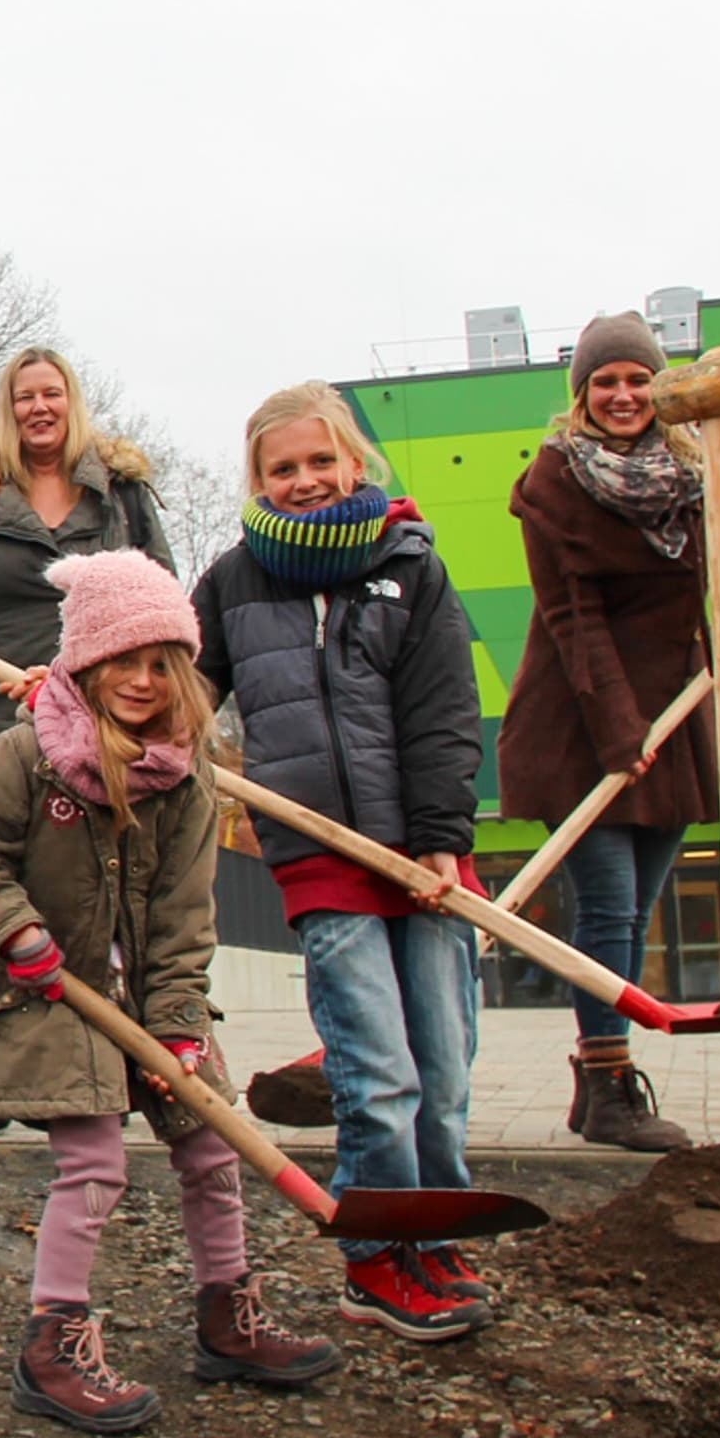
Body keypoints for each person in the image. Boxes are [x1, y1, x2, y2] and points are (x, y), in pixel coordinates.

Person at [0, 551, 340, 1433]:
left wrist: (183, 1031)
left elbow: (184, 920)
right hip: (53, 997)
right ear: (86, 658)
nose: (143, 680)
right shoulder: (24, 758)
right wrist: (19, 933)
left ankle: (226, 1315)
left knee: (211, 1147)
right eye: (124, 659)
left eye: (162, 664)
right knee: (94, 1166)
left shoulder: (186, 779)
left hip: (152, 1000)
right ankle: (54, 1344)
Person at [192, 382, 491, 1341]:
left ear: (355, 464)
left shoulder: (411, 567)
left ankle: (435, 1228)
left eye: (321, 461)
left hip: (425, 852)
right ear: (259, 481)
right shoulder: (236, 581)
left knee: (441, 1067)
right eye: (283, 468)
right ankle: (375, 1255)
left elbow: (446, 711)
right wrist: (77, 693)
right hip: (321, 855)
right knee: (377, 1069)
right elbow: (175, 683)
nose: (306, 480)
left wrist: (443, 838)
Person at [501, 310, 720, 1151]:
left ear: (661, 388)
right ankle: (611, 1088)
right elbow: (574, 619)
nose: (622, 395)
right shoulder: (554, 488)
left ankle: (590, 1082)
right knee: (607, 908)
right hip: (584, 722)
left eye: (637, 379)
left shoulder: (688, 471)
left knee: (638, 907)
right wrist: (619, 732)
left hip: (676, 718)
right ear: (581, 395)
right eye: (605, 382)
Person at [0, 346, 176, 1137]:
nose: (39, 408)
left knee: (97, 898)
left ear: (72, 402)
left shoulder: (121, 498)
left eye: (52, 394)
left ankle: (100, 1065)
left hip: (102, 722)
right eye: (24, 397)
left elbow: (162, 604)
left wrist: (170, 716)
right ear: (8, 409)